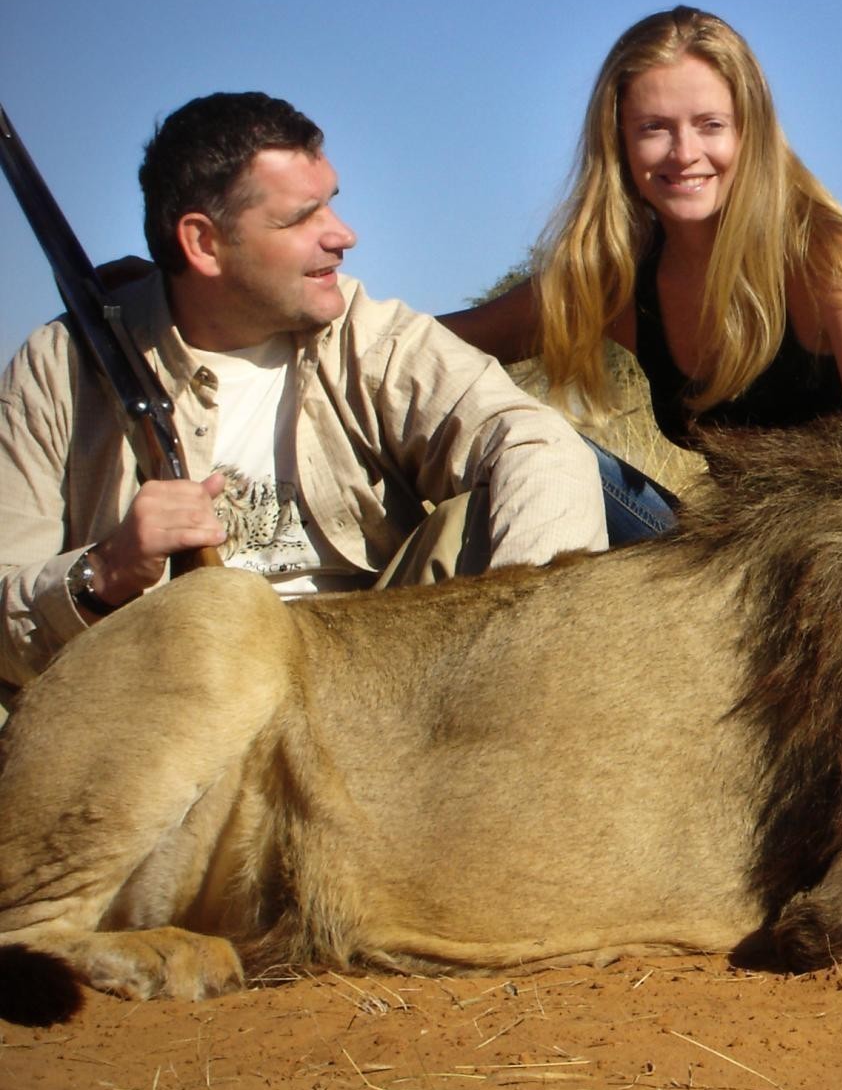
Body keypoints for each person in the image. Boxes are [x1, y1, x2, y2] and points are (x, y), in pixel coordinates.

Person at [0, 91, 607, 694]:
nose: (343, 235)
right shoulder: (58, 368)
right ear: (203, 243)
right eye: (299, 218)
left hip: (365, 690)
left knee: (476, 516)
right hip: (165, 699)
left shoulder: (367, 333)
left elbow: (532, 440)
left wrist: (527, 657)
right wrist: (101, 573)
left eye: (331, 205)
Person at [439, 6, 842, 542]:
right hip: (711, 553)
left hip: (826, 550)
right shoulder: (619, 279)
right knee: (537, 442)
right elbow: (437, 345)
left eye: (710, 125)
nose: (685, 153)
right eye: (654, 129)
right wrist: (339, 323)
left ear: (750, 133)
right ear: (618, 142)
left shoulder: (825, 256)